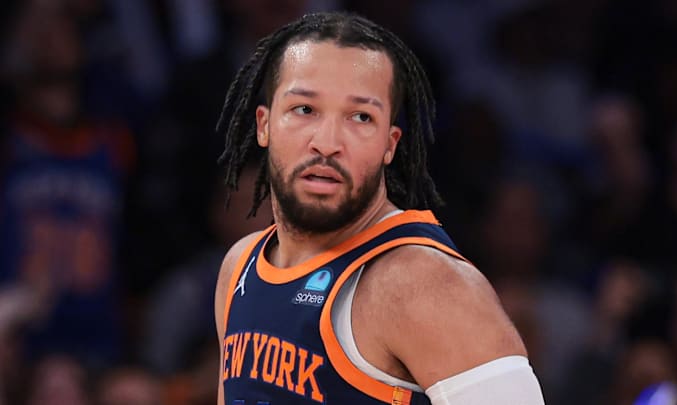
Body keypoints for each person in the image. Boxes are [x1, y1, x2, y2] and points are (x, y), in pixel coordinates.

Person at [213, 11, 545, 405]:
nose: (327, 141)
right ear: (264, 125)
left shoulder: (422, 283)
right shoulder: (240, 268)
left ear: (390, 144)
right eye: (305, 109)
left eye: (360, 117)